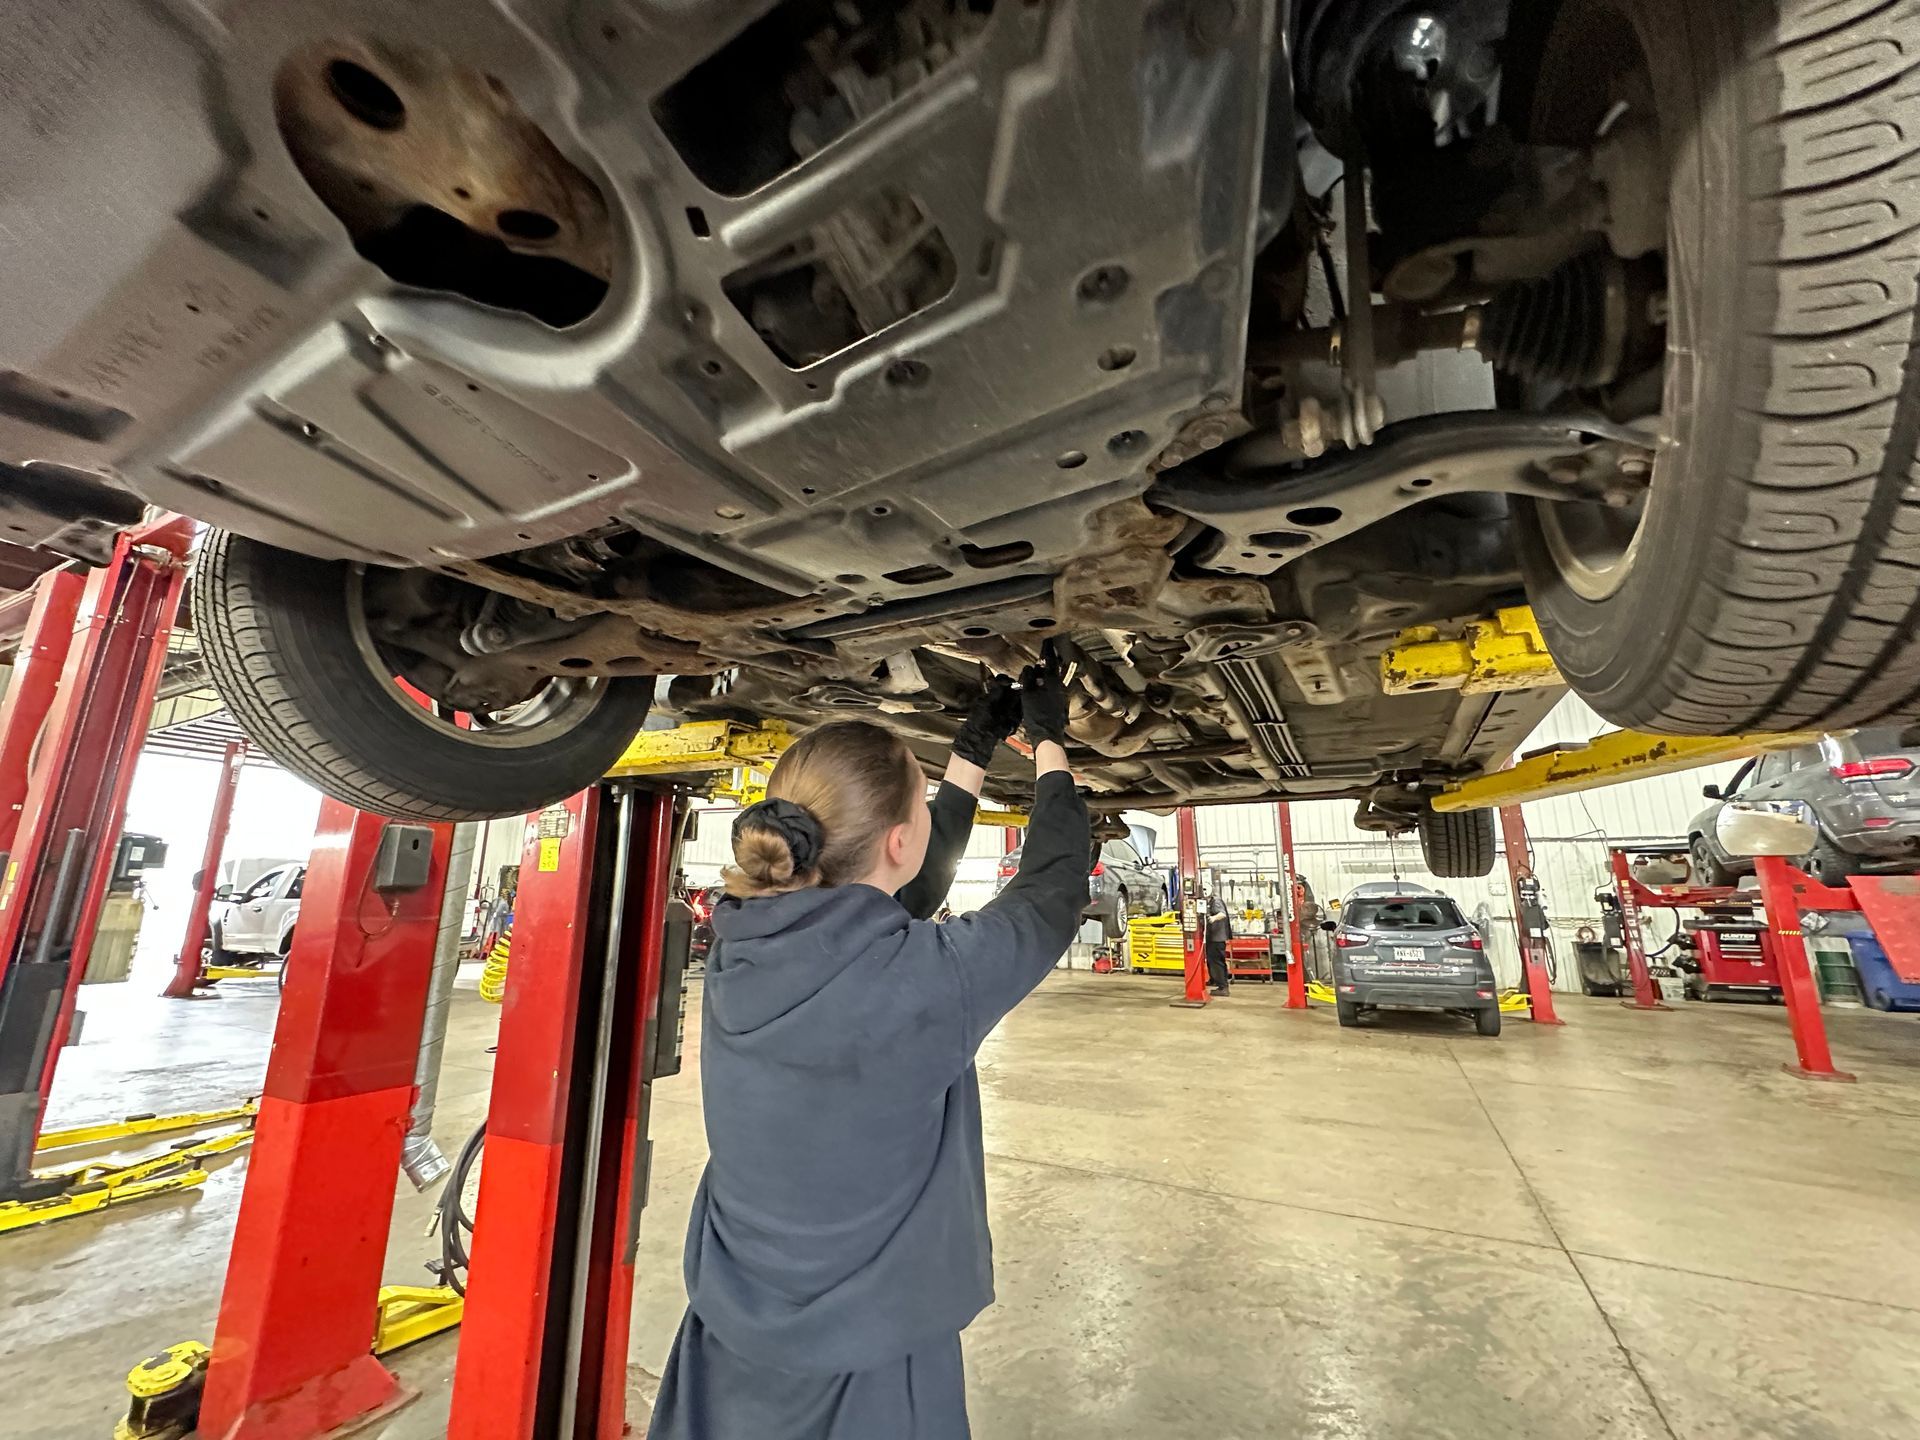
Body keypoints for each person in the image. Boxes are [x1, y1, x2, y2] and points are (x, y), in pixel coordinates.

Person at [647, 666, 1090, 1440]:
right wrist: (1050, 741)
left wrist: (970, 753)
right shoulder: (925, 984)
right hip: (869, 1362)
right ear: (898, 838)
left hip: (730, 1338)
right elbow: (1052, 887)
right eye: (920, 806)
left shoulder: (741, 945)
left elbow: (887, 895)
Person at [1204, 887, 1232, 995]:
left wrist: (1213, 918)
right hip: (1213, 937)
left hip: (1217, 938)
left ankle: (1223, 987)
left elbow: (1222, 914)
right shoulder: (1211, 901)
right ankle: (1215, 980)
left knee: (1217, 962)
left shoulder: (1216, 901)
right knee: (1212, 961)